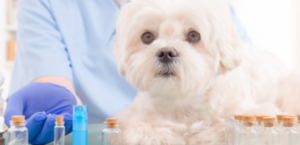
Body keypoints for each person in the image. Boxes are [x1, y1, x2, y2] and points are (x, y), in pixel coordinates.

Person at [4, 0, 251, 144]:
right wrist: (56, 95)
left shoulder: (211, 8)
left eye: (192, 36)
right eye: (147, 37)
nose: (167, 51)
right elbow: (50, 74)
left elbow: (242, 65)